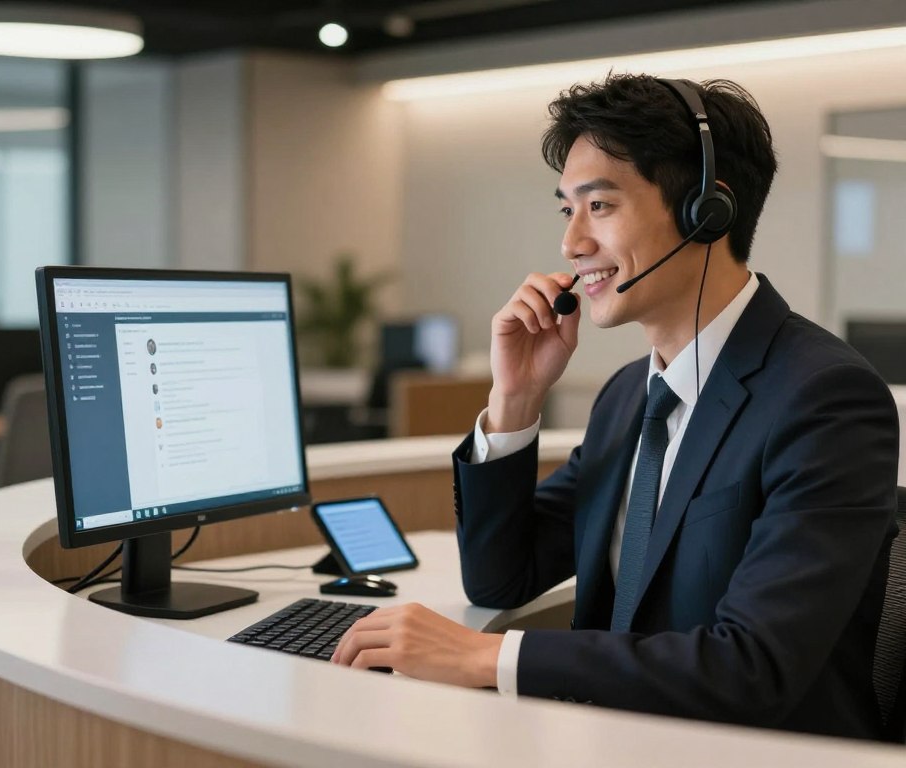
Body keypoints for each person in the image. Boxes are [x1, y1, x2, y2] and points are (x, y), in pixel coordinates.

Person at [332, 74, 900, 739]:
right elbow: (499, 579)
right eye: (565, 210)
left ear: (704, 211)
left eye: (598, 206)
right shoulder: (631, 395)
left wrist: (487, 655)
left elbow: (753, 668)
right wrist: (513, 400)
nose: (572, 243)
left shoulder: (823, 398)